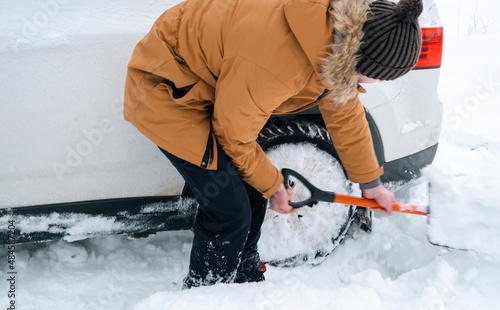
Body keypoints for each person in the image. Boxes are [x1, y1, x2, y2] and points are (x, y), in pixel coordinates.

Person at [123, 0, 423, 288]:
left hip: (217, 84)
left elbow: (345, 113)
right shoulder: (280, 62)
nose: (380, 83)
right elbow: (234, 134)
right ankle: (205, 294)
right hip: (168, 86)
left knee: (251, 189)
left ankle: (243, 274)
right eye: (380, 76)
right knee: (229, 210)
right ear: (362, 60)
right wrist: (274, 187)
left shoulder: (334, 33)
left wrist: (371, 183)